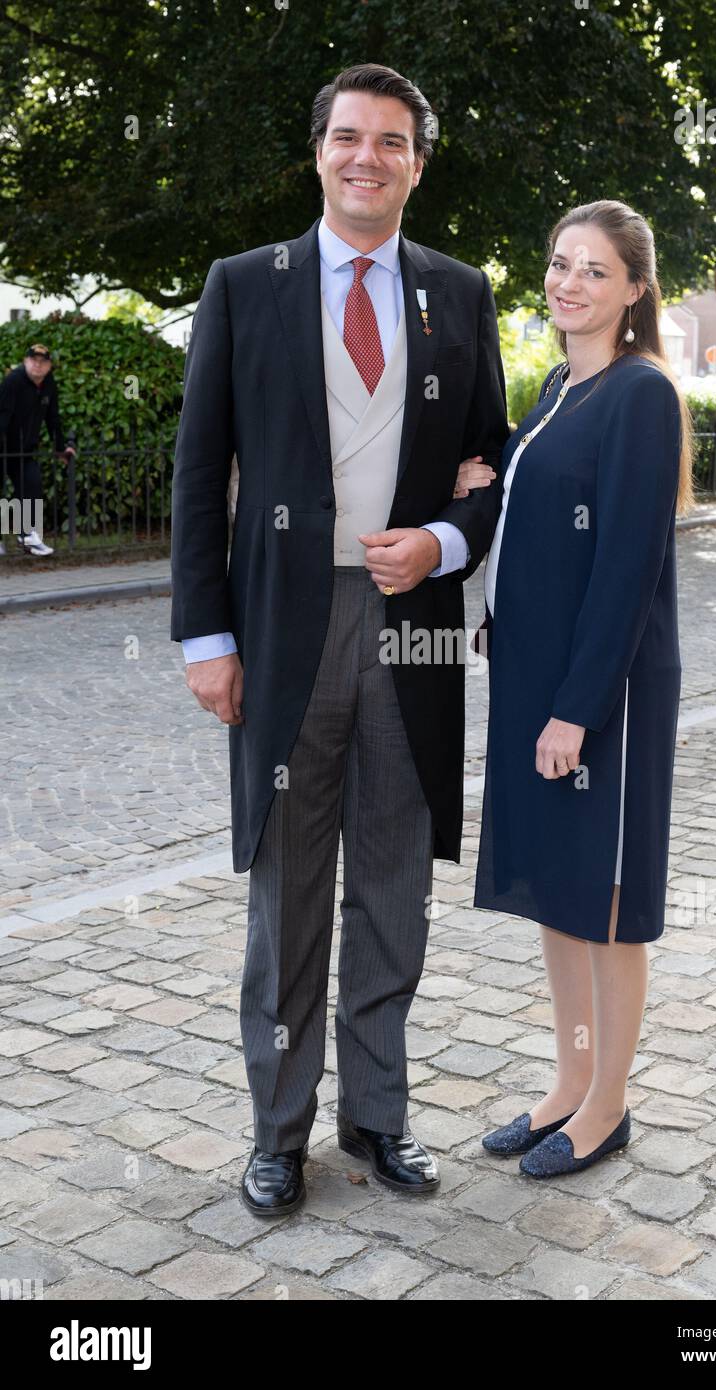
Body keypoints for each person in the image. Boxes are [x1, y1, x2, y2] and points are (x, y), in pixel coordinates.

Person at [170, 63, 508, 1215]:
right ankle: (277, 1128)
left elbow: (490, 468)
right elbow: (195, 469)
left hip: (409, 630)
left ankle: (378, 1114)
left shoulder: (458, 294)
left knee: (395, 883)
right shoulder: (242, 286)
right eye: (348, 138)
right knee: (288, 890)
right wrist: (204, 636)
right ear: (317, 151)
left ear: (418, 161)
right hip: (282, 627)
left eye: (392, 142)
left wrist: (443, 544)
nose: (368, 158)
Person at [461, 200, 695, 1179]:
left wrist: (575, 708)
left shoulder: (640, 394)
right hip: (533, 676)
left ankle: (606, 1105)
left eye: (593, 270)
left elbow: (627, 565)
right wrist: (489, 478)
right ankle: (565, 1083)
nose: (568, 283)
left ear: (633, 290)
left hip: (604, 692)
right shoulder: (558, 383)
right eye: (558, 264)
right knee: (558, 895)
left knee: (604, 899)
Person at [0, 344, 76, 556]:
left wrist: (61, 448)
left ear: (49, 366)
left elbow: (53, 419)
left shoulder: (49, 385)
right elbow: (2, 416)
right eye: (33, 360)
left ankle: (26, 536)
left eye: (43, 362)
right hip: (3, 446)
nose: (37, 365)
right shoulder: (13, 382)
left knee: (31, 486)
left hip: (25, 449)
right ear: (25, 362)